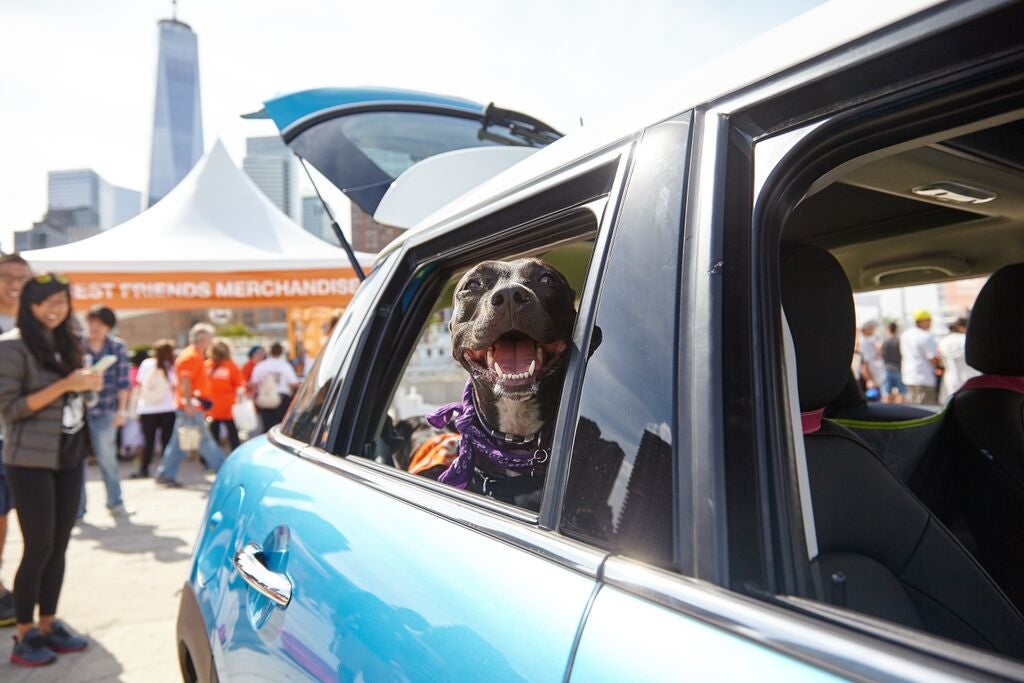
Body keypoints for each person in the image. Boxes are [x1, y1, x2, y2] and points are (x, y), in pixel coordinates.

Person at [0, 273, 97, 666]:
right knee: (38, 546)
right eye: (47, 302)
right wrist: (65, 385)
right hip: (29, 461)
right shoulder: (12, 347)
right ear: (30, 305)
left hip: (69, 455)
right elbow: (9, 409)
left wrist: (87, 384)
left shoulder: (67, 342)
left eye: (62, 301)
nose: (55, 309)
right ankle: (23, 635)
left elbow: (71, 395)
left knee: (59, 546)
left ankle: (48, 623)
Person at [155, 324, 226, 487]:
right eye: (210, 339)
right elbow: (185, 382)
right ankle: (224, 470)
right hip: (190, 407)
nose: (211, 342)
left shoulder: (193, 355)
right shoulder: (191, 356)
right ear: (203, 339)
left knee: (180, 442)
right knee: (204, 441)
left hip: (189, 405)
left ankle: (165, 473)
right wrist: (188, 403)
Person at [78, 306, 132, 518]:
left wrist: (122, 411)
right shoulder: (78, 346)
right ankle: (78, 509)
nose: (94, 327)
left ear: (108, 326)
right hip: (79, 413)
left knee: (107, 458)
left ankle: (115, 502)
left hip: (107, 410)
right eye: (91, 322)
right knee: (76, 461)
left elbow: (124, 382)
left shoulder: (117, 347)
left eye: (99, 323)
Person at [0, 253, 31, 627]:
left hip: (26, 439)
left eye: (23, 278)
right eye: (8, 276)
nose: (15, 284)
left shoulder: (33, 323)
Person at [131, 340, 177, 479]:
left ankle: (144, 469)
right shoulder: (172, 366)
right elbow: (176, 386)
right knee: (166, 441)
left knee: (148, 441)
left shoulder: (146, 364)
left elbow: (139, 384)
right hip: (168, 408)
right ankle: (165, 470)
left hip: (147, 408)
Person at [250, 342, 300, 430]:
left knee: (266, 427)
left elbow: (253, 383)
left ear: (269, 352)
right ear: (281, 353)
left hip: (265, 399)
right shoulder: (285, 366)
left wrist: (254, 397)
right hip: (282, 400)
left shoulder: (261, 365)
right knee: (280, 427)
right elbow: (293, 384)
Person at [206, 338, 244, 451]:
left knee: (213, 434)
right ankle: (235, 453)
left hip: (211, 407)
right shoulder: (231, 366)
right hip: (228, 406)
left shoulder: (207, 366)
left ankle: (213, 458)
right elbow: (239, 386)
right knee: (233, 434)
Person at [900, 309, 942, 404]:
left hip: (908, 377)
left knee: (914, 408)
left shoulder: (905, 335)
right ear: (923, 321)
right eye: (929, 320)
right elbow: (932, 358)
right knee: (926, 410)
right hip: (924, 378)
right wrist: (940, 365)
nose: (930, 323)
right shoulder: (926, 336)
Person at [938, 317, 980, 401]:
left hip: (950, 378)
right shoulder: (968, 339)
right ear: (961, 327)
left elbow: (939, 358)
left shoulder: (944, 341)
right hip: (969, 376)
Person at [856, 320, 885, 399]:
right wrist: (869, 380)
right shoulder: (863, 342)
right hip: (869, 380)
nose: (873, 329)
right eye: (871, 327)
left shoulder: (872, 339)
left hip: (876, 378)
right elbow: (864, 365)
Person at [881, 322, 907, 403]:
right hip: (898, 368)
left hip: (887, 368)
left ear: (888, 329)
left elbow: (882, 354)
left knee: (887, 392)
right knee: (901, 392)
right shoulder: (899, 341)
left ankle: (886, 412)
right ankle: (900, 412)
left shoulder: (884, 342)